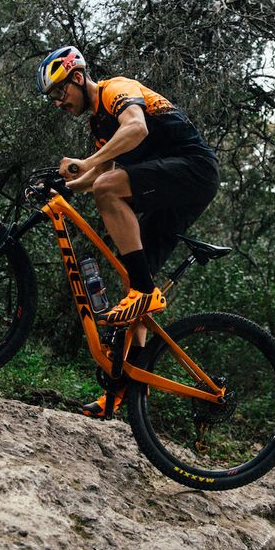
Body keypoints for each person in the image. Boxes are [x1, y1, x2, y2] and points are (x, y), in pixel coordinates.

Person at [36, 45, 220, 417]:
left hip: (194, 170)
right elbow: (102, 173)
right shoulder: (99, 124)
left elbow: (136, 128)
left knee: (114, 207)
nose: (58, 102)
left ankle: (144, 290)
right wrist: (62, 187)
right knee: (131, 287)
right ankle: (125, 396)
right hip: (175, 189)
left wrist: (85, 163)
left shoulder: (114, 90)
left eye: (60, 91)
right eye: (51, 98)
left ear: (77, 77)